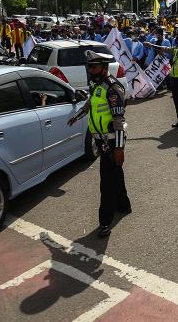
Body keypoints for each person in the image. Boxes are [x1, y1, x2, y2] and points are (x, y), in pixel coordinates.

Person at [67, 50, 131, 238]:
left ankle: (104, 222)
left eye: (93, 67)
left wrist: (119, 148)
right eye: (89, 67)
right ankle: (124, 205)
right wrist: (77, 116)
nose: (90, 70)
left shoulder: (113, 88)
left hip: (111, 141)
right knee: (115, 173)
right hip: (100, 140)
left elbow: (119, 119)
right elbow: (91, 104)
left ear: (103, 69)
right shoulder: (97, 85)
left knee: (107, 182)